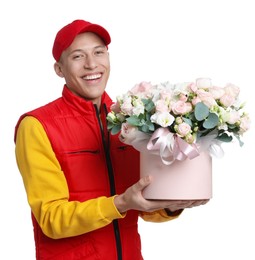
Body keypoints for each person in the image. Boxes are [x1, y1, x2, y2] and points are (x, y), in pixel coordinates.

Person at [14, 19, 209, 260]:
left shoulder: (131, 118)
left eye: (99, 52)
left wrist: (174, 204)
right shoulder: (37, 126)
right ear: (59, 69)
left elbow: (141, 204)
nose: (91, 64)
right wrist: (119, 204)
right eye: (77, 56)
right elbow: (51, 219)